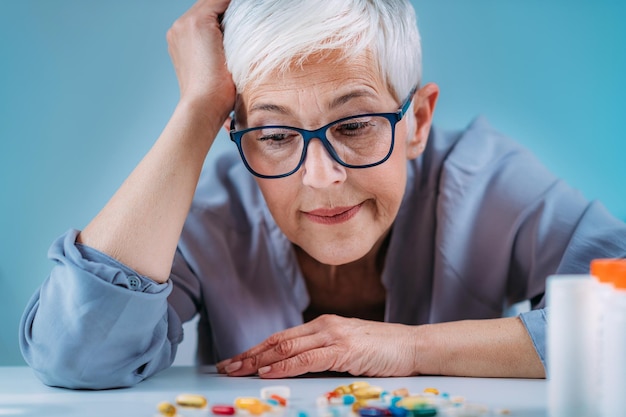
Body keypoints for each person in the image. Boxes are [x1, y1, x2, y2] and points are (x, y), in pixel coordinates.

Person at [19, 0, 626, 390]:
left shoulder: (488, 186)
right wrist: (197, 111)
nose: (321, 176)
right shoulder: (209, 214)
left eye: (355, 124)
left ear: (417, 122)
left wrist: (411, 348)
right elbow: (73, 356)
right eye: (277, 135)